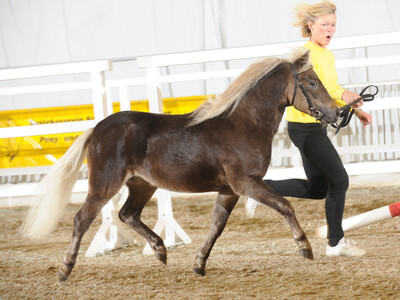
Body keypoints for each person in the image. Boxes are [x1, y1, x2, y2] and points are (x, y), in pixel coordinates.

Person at [246, 0, 372, 256]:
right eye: (324, 25)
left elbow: (330, 92)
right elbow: (310, 93)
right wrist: (345, 98)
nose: (330, 30)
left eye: (333, 25)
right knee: (340, 180)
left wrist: (355, 107)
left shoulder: (327, 55)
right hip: (304, 128)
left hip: (314, 129)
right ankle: (336, 243)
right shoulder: (304, 56)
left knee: (318, 189)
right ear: (310, 26)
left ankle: (258, 187)